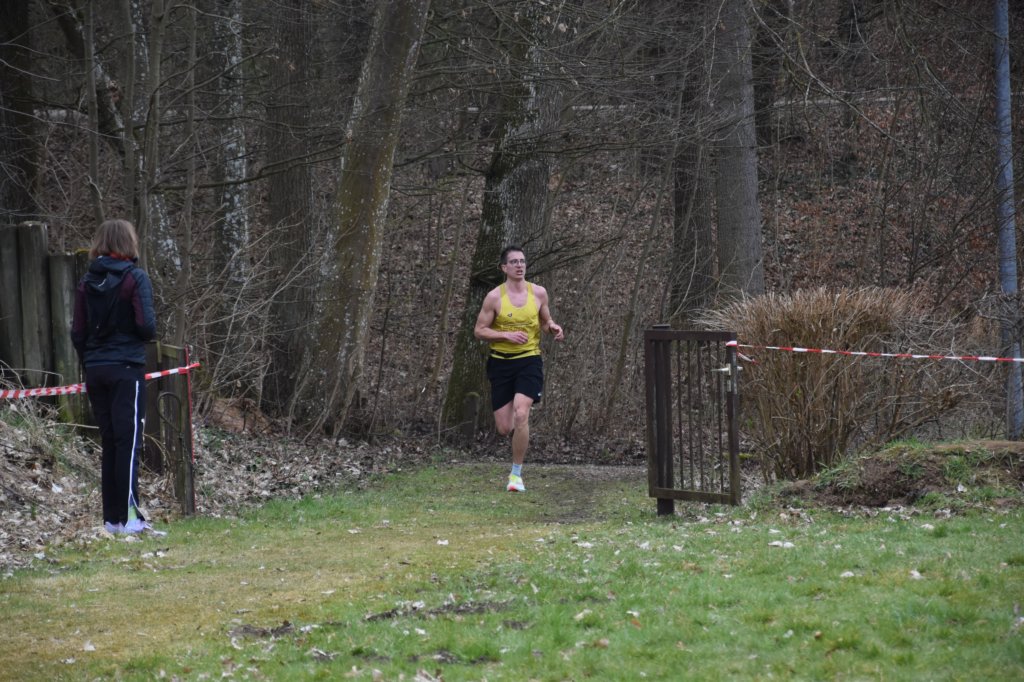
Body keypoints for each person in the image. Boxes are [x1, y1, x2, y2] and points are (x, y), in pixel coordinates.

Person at [71, 219, 159, 534]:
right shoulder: (135, 278)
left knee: (110, 443)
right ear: (128, 243)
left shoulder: (86, 282)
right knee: (128, 443)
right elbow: (147, 327)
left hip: (96, 370)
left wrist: (91, 361)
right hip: (126, 369)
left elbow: (78, 332)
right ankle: (131, 519)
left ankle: (112, 520)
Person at [474, 245, 564, 492]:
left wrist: (553, 328)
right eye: (514, 262)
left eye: (522, 261)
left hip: (529, 360)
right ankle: (518, 432)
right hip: (501, 363)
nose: (519, 265)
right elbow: (479, 330)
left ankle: (516, 475)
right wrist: (506, 335)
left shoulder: (539, 293)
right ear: (504, 267)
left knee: (522, 413)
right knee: (505, 428)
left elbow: (545, 321)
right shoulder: (494, 297)